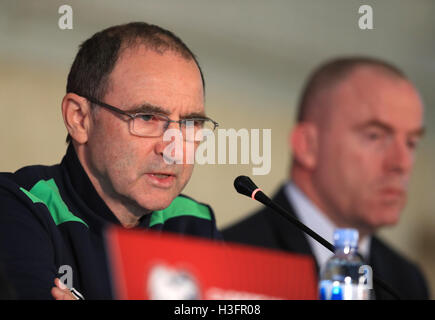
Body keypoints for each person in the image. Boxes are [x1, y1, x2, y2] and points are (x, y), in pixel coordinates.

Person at [0, 22, 221, 300]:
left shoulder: (193, 222)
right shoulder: (18, 206)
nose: (174, 150)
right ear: (79, 119)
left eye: (191, 122)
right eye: (147, 118)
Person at [223, 57, 429, 299]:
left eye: (411, 142)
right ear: (308, 145)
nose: (401, 163)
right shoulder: (229, 256)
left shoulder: (406, 280)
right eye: (375, 136)